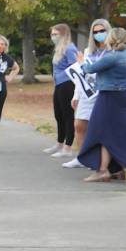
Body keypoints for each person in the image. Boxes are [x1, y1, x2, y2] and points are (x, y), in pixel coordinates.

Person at [77, 27, 126, 181]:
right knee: (122, 132)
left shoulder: (111, 57)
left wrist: (81, 63)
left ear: (110, 40)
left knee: (102, 131)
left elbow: (90, 69)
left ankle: (103, 170)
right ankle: (117, 169)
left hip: (109, 96)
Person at [62, 19, 110, 169]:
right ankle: (82, 158)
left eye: (102, 31)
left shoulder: (112, 51)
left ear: (108, 31)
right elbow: (80, 74)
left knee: (98, 128)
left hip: (103, 93)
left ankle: (99, 160)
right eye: (95, 32)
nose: (99, 34)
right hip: (86, 93)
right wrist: (76, 95)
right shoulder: (88, 51)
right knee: (79, 125)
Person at [47, 23, 80, 158]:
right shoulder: (58, 49)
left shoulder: (70, 48)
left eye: (56, 34)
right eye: (52, 34)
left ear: (63, 34)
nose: (53, 37)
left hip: (67, 84)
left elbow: (76, 68)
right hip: (59, 84)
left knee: (67, 116)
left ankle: (68, 147)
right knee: (58, 114)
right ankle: (59, 143)